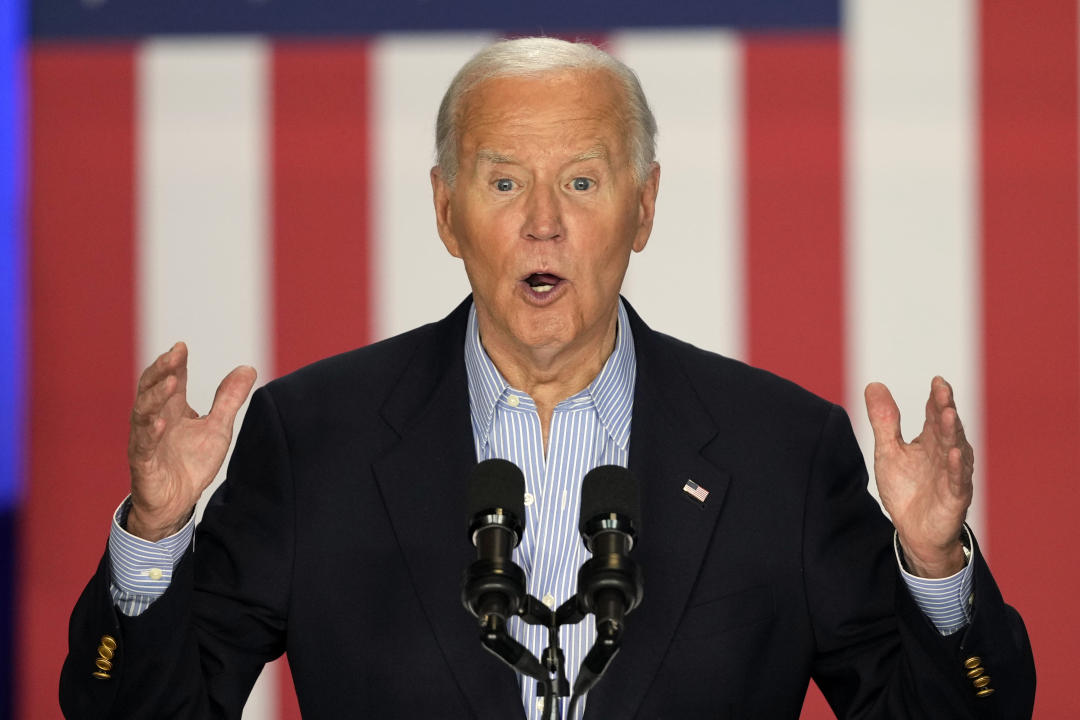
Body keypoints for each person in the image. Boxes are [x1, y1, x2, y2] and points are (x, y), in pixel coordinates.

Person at [61, 38, 1034, 719]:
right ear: (446, 215)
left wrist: (937, 565)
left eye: (580, 179)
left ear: (643, 208)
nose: (542, 222)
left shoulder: (780, 453)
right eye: (500, 182)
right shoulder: (315, 440)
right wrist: (154, 539)